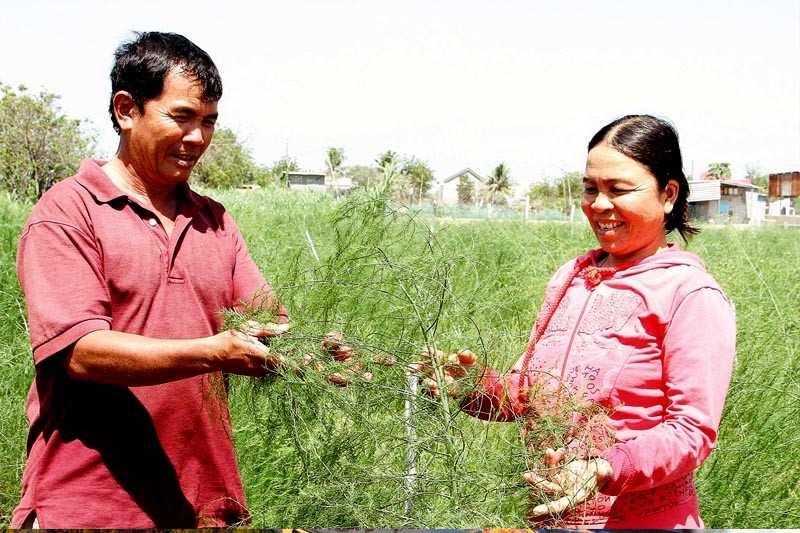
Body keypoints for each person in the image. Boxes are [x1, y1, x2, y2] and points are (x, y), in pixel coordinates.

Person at [12, 31, 289, 528]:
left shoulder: (215, 221)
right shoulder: (67, 212)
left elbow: (271, 325)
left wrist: (340, 360)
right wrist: (213, 351)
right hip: (87, 510)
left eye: (209, 121)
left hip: (201, 507)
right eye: (182, 117)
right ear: (126, 109)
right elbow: (80, 352)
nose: (197, 138)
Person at [420, 114, 736, 529]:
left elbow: (692, 431)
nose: (599, 204)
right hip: (551, 518)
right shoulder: (571, 278)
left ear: (668, 195)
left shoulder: (689, 293)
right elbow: (525, 394)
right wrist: (472, 386)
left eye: (618, 189)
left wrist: (603, 468)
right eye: (591, 188)